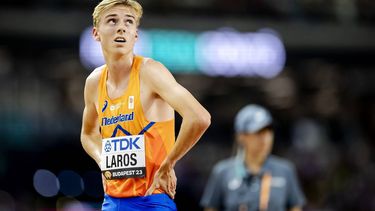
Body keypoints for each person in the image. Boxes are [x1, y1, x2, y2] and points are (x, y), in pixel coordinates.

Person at [80, 0, 211, 210]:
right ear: (96, 33)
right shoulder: (94, 82)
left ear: (135, 35)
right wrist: (103, 161)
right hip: (112, 200)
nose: (121, 27)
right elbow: (88, 134)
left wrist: (169, 163)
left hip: (151, 199)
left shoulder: (150, 72)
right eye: (112, 21)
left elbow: (199, 117)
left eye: (129, 22)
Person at [200, 104, 305, 211]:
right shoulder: (222, 172)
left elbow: (295, 207)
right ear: (241, 137)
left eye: (268, 131)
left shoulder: (285, 170)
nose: (265, 138)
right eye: (258, 132)